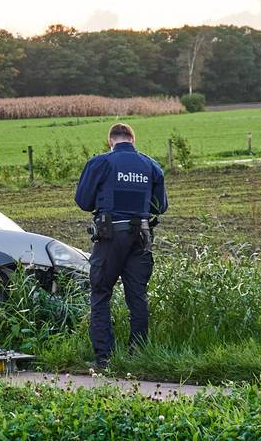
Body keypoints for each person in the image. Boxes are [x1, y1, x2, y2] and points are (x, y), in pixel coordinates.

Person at [75, 122, 168, 369]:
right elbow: (161, 206)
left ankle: (104, 358)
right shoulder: (151, 166)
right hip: (141, 237)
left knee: (101, 293)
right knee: (137, 296)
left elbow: (83, 201)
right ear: (133, 140)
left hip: (110, 237)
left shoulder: (101, 163)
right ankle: (137, 355)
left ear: (110, 141)